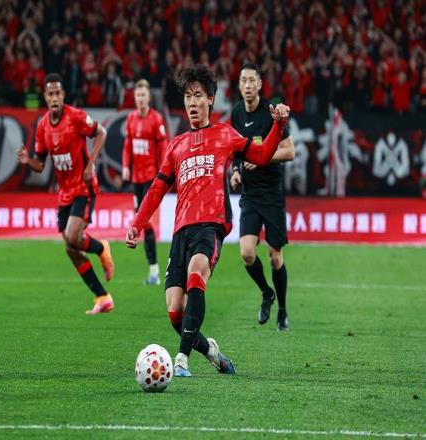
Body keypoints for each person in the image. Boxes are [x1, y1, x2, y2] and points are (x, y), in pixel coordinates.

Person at [126, 65, 290, 377]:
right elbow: (157, 188)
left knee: (196, 273)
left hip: (210, 225)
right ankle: (210, 351)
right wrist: (137, 222)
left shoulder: (225, 135)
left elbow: (261, 154)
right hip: (181, 231)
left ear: (210, 99)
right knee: (175, 312)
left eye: (198, 95)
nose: (192, 102)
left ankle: (181, 359)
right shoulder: (176, 145)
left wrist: (278, 125)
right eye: (188, 96)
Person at [17, 73, 115, 315]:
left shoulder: (76, 117)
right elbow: (40, 164)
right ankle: (102, 296)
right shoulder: (42, 126)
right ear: (45, 97)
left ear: (63, 95)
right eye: (50, 94)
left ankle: (101, 248)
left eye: (57, 93)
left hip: (84, 186)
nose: (54, 98)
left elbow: (101, 132)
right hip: (65, 193)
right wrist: (28, 161)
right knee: (70, 248)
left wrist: (91, 162)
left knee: (72, 236)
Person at [230, 63, 295, 331]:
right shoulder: (236, 113)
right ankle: (266, 293)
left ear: (259, 84)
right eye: (243, 80)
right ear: (239, 86)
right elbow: (235, 151)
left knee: (275, 257)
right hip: (250, 194)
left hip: (272, 194)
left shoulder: (271, 112)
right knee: (247, 253)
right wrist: (235, 171)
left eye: (251, 80)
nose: (247, 85)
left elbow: (289, 152)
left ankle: (282, 311)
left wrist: (262, 158)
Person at [122, 79, 168, 285]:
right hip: (136, 179)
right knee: (142, 224)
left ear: (148, 97)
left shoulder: (156, 120)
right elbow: (127, 145)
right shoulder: (131, 118)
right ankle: (153, 271)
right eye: (138, 96)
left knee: (146, 224)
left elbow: (163, 148)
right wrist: (125, 166)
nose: (140, 99)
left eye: (143, 95)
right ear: (135, 98)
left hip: (151, 178)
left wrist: (163, 173)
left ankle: (155, 272)